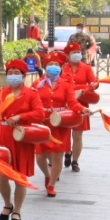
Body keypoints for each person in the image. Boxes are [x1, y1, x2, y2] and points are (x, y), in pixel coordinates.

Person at [0, 59, 43, 220]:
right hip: (3, 137)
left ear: (23, 75)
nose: (13, 76)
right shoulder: (0, 93)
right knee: (2, 175)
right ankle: (7, 204)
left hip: (21, 137)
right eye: (10, 73)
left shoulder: (31, 94)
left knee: (20, 177)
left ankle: (17, 210)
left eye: (16, 73)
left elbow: (39, 113)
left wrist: (21, 117)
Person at [34, 50, 85, 197]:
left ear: (61, 67)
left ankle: (51, 185)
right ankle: (48, 174)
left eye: (56, 64)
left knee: (58, 155)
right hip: (43, 123)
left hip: (60, 122)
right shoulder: (38, 84)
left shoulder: (66, 84)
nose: (53, 66)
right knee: (40, 156)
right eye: (50, 64)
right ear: (45, 66)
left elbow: (72, 102)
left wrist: (82, 109)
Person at [63, 42, 96, 173]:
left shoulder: (86, 68)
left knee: (77, 135)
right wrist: (81, 87)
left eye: (78, 52)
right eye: (73, 53)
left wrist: (94, 85)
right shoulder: (62, 68)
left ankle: (75, 161)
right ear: (67, 55)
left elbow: (93, 82)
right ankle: (67, 152)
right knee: (65, 133)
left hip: (82, 104)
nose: (76, 55)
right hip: (66, 104)